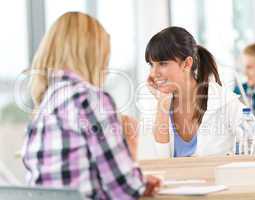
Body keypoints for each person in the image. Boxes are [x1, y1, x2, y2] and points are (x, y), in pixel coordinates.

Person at [21, 12, 160, 199]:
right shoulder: (89, 99)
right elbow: (126, 189)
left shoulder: (45, 105)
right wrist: (131, 150)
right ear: (93, 55)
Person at [145, 26, 255, 158]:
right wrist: (162, 102)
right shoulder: (159, 106)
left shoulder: (222, 101)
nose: (153, 73)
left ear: (187, 64)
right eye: (151, 64)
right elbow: (162, 161)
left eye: (162, 63)